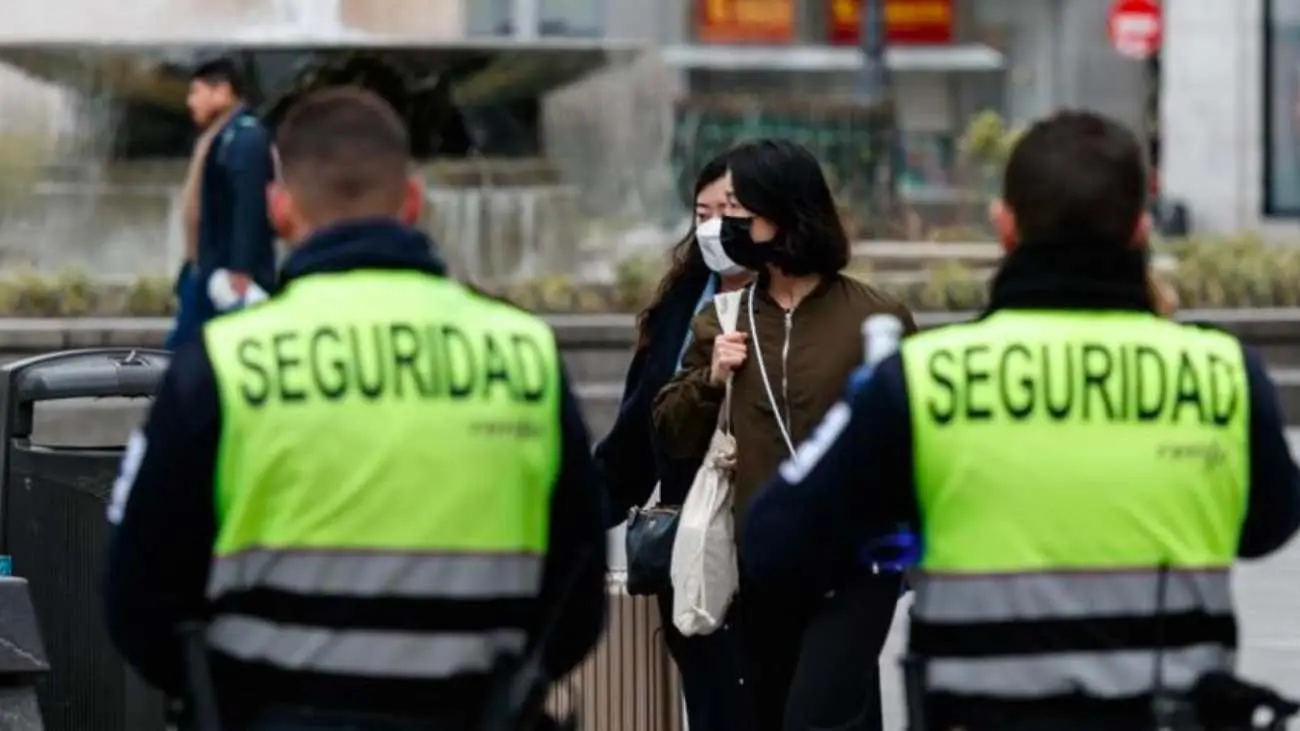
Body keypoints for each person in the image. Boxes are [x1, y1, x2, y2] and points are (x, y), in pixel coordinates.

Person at [743, 110, 1300, 731]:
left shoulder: (926, 379)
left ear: (1004, 226)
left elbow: (775, 541)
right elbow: (1268, 527)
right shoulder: (1221, 373)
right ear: (1141, 228)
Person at [103, 88, 608, 731]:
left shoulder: (227, 359)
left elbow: (136, 595)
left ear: (279, 210)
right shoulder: (523, 352)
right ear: (414, 202)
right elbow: (579, 587)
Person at [653, 138, 916, 731]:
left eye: (740, 211)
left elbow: (915, 439)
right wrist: (711, 378)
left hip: (855, 568)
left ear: (785, 212)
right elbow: (670, 432)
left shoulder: (876, 318)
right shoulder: (722, 317)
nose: (727, 226)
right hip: (761, 567)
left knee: (814, 716)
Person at [595, 153, 753, 731]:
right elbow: (638, 431)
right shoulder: (681, 305)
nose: (714, 228)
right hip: (694, 549)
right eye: (702, 213)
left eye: (730, 212)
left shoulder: (804, 306)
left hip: (774, 548)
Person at [166, 57, 278, 349]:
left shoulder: (245, 138)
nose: (191, 102)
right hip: (208, 269)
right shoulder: (223, 135)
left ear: (222, 91)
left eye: (196, 92)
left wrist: (240, 270)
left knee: (185, 357)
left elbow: (249, 205)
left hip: (227, 278)